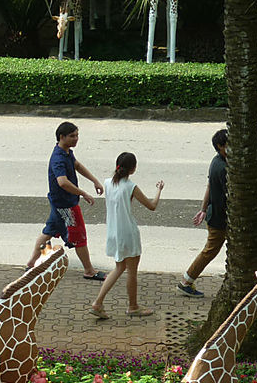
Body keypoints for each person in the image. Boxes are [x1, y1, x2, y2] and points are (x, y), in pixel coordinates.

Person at [89, 152, 164, 319]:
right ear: (133, 169)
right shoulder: (131, 187)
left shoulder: (108, 183)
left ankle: (98, 302)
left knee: (119, 267)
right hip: (128, 234)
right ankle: (133, 306)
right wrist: (158, 190)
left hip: (113, 233)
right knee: (131, 272)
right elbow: (152, 206)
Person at [27, 121, 105, 281]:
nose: (76, 139)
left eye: (77, 135)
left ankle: (31, 264)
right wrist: (83, 193)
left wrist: (94, 180)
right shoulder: (58, 158)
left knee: (48, 231)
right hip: (66, 205)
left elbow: (77, 165)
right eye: (72, 136)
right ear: (61, 137)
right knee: (79, 237)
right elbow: (62, 182)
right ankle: (89, 270)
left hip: (59, 203)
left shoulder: (67, 152)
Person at [178, 129, 229, 298]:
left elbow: (209, 186)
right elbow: (234, 197)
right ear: (219, 146)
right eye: (228, 145)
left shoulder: (216, 161)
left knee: (212, 250)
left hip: (215, 214)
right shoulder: (222, 168)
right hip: (219, 218)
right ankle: (186, 282)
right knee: (210, 251)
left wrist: (203, 209)